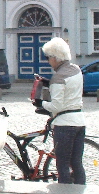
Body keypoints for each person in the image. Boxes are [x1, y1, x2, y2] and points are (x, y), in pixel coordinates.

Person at [34, 37, 86, 184]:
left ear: (56, 58)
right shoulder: (76, 70)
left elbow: (56, 106)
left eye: (48, 58)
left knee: (62, 164)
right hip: (79, 122)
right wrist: (47, 82)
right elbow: (69, 89)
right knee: (76, 163)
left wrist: (40, 103)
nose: (48, 61)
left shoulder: (58, 77)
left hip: (64, 125)